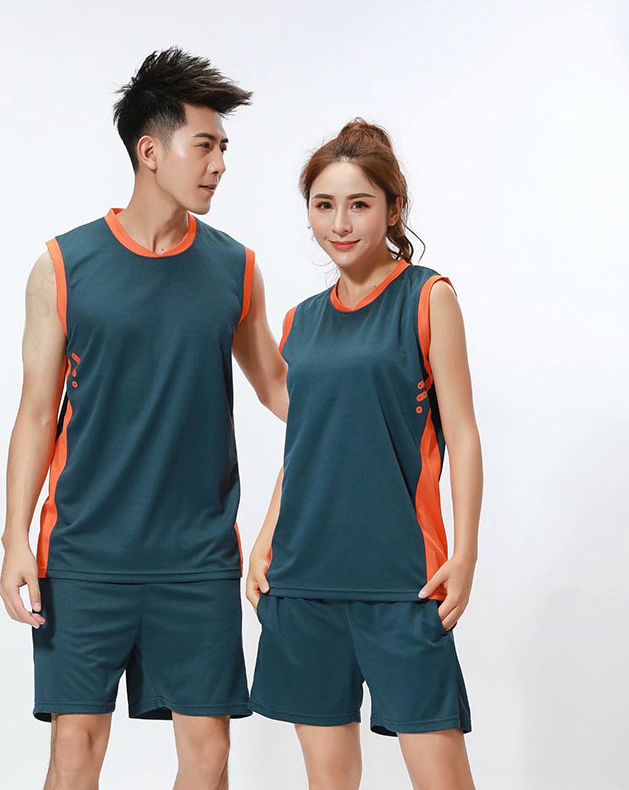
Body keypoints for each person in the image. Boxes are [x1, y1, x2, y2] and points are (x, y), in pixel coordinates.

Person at [0, 47, 288, 789]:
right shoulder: (63, 266)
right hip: (84, 552)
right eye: (205, 145)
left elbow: (279, 389)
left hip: (197, 556)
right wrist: (14, 540)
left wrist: (372, 404)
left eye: (224, 148)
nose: (219, 164)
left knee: (208, 757)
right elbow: (35, 416)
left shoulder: (236, 268)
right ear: (150, 151)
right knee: (74, 753)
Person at [246, 119, 482, 789]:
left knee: (441, 778)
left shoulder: (428, 298)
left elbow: (463, 434)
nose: (340, 223)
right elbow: (309, 441)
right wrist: (264, 538)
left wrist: (465, 554)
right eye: (324, 205)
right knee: (329, 781)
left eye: (359, 204)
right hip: (304, 578)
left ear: (392, 209)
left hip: (402, 580)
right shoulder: (300, 321)